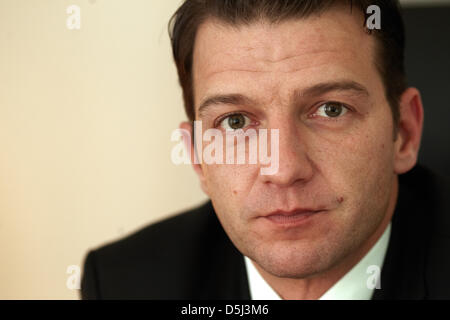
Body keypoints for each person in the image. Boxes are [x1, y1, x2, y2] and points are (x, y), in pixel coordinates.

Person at [80, 0, 450, 300]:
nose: (283, 169)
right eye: (236, 122)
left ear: (404, 132)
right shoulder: (124, 284)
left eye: (331, 110)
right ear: (196, 156)